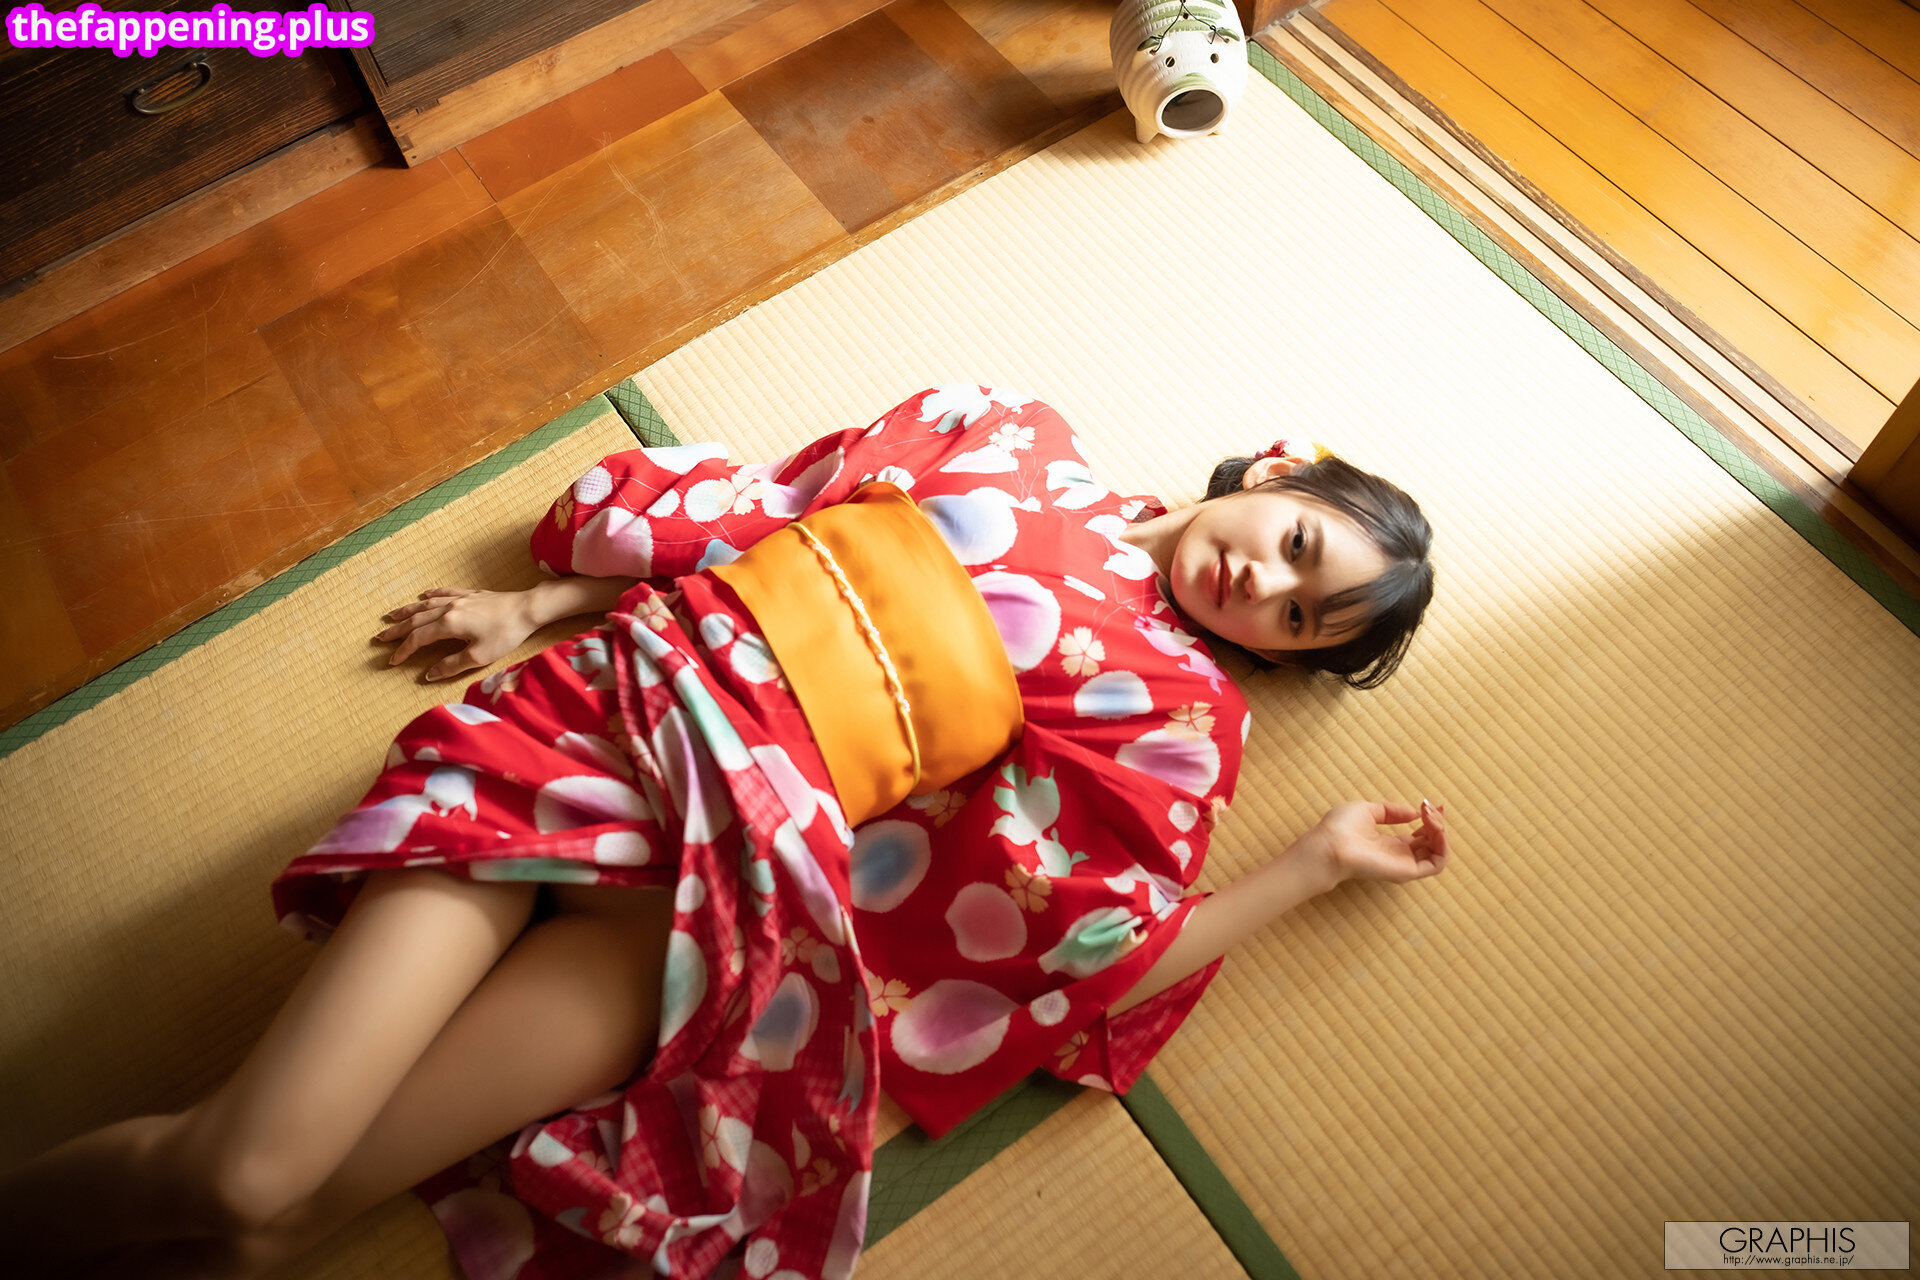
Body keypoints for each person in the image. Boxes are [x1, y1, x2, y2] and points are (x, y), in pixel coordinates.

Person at [2, 386, 1451, 1280]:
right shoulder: (1018, 438)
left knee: (268, 1237)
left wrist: (1311, 865)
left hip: (717, 898)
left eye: (1299, 621)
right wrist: (538, 605)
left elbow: (1101, 941)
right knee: (243, 1173)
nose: (1264, 587)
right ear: (1280, 475)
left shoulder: (1186, 714)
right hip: (602, 730)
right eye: (1299, 546)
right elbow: (769, 525)